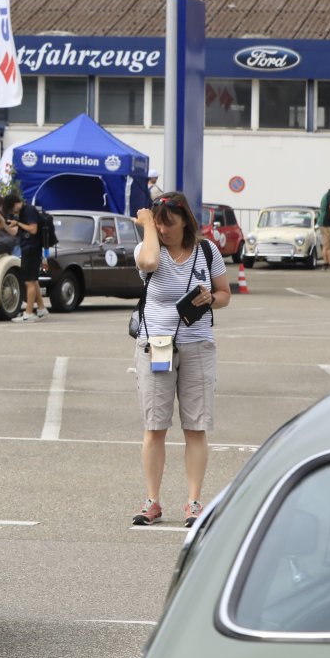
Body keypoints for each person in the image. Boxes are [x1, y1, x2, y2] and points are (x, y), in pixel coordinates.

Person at [131, 193, 229, 527]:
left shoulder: (207, 251)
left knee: (196, 427)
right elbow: (148, 263)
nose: (163, 229)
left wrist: (211, 298)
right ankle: (152, 501)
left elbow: (225, 295)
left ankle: (194, 502)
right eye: (158, 223)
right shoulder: (148, 248)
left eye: (169, 223)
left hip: (197, 345)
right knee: (154, 427)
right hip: (156, 346)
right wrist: (148, 225)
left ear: (186, 220)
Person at [3, 193, 48, 321]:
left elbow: (33, 229)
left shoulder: (29, 210)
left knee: (29, 282)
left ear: (16, 203)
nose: (13, 212)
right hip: (28, 248)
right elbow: (15, 232)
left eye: (12, 209)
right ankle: (41, 308)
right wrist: (3, 221)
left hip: (32, 249)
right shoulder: (23, 213)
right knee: (33, 280)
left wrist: (18, 223)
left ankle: (28, 313)